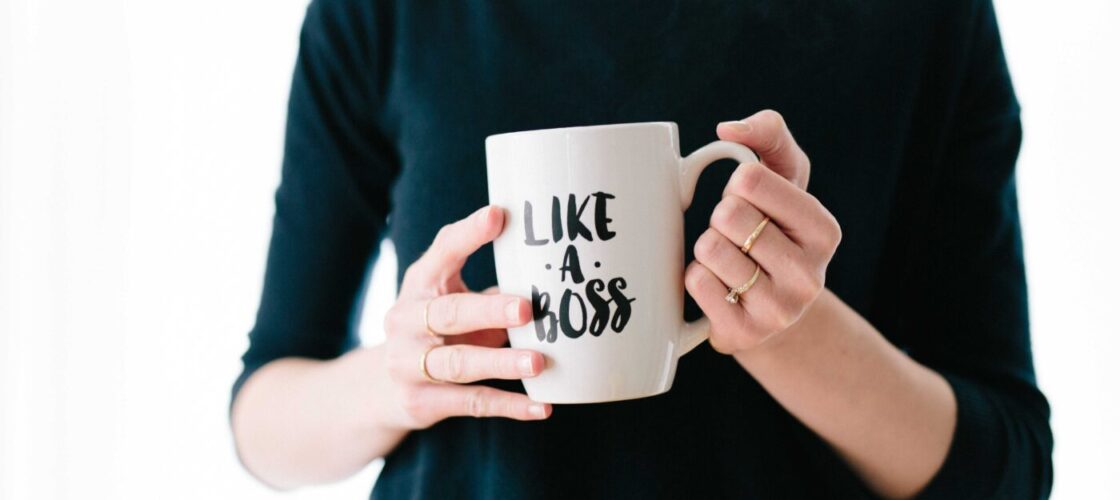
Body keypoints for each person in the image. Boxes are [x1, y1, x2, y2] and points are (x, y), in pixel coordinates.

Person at [229, 1, 1053, 498]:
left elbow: (1007, 469)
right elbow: (262, 419)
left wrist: (789, 330)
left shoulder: (920, 19)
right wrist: (399, 379)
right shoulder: (384, 13)